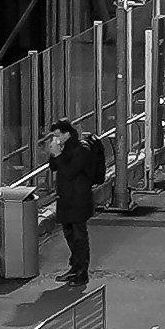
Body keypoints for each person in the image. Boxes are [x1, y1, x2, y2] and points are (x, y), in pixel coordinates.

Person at [44, 119, 110, 285]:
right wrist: (54, 153)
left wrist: (59, 155)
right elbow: (54, 167)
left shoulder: (82, 149)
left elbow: (70, 172)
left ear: (67, 134)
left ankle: (82, 272)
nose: (56, 139)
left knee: (79, 236)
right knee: (69, 234)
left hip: (79, 199)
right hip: (66, 198)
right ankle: (74, 267)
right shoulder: (64, 147)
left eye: (58, 135)